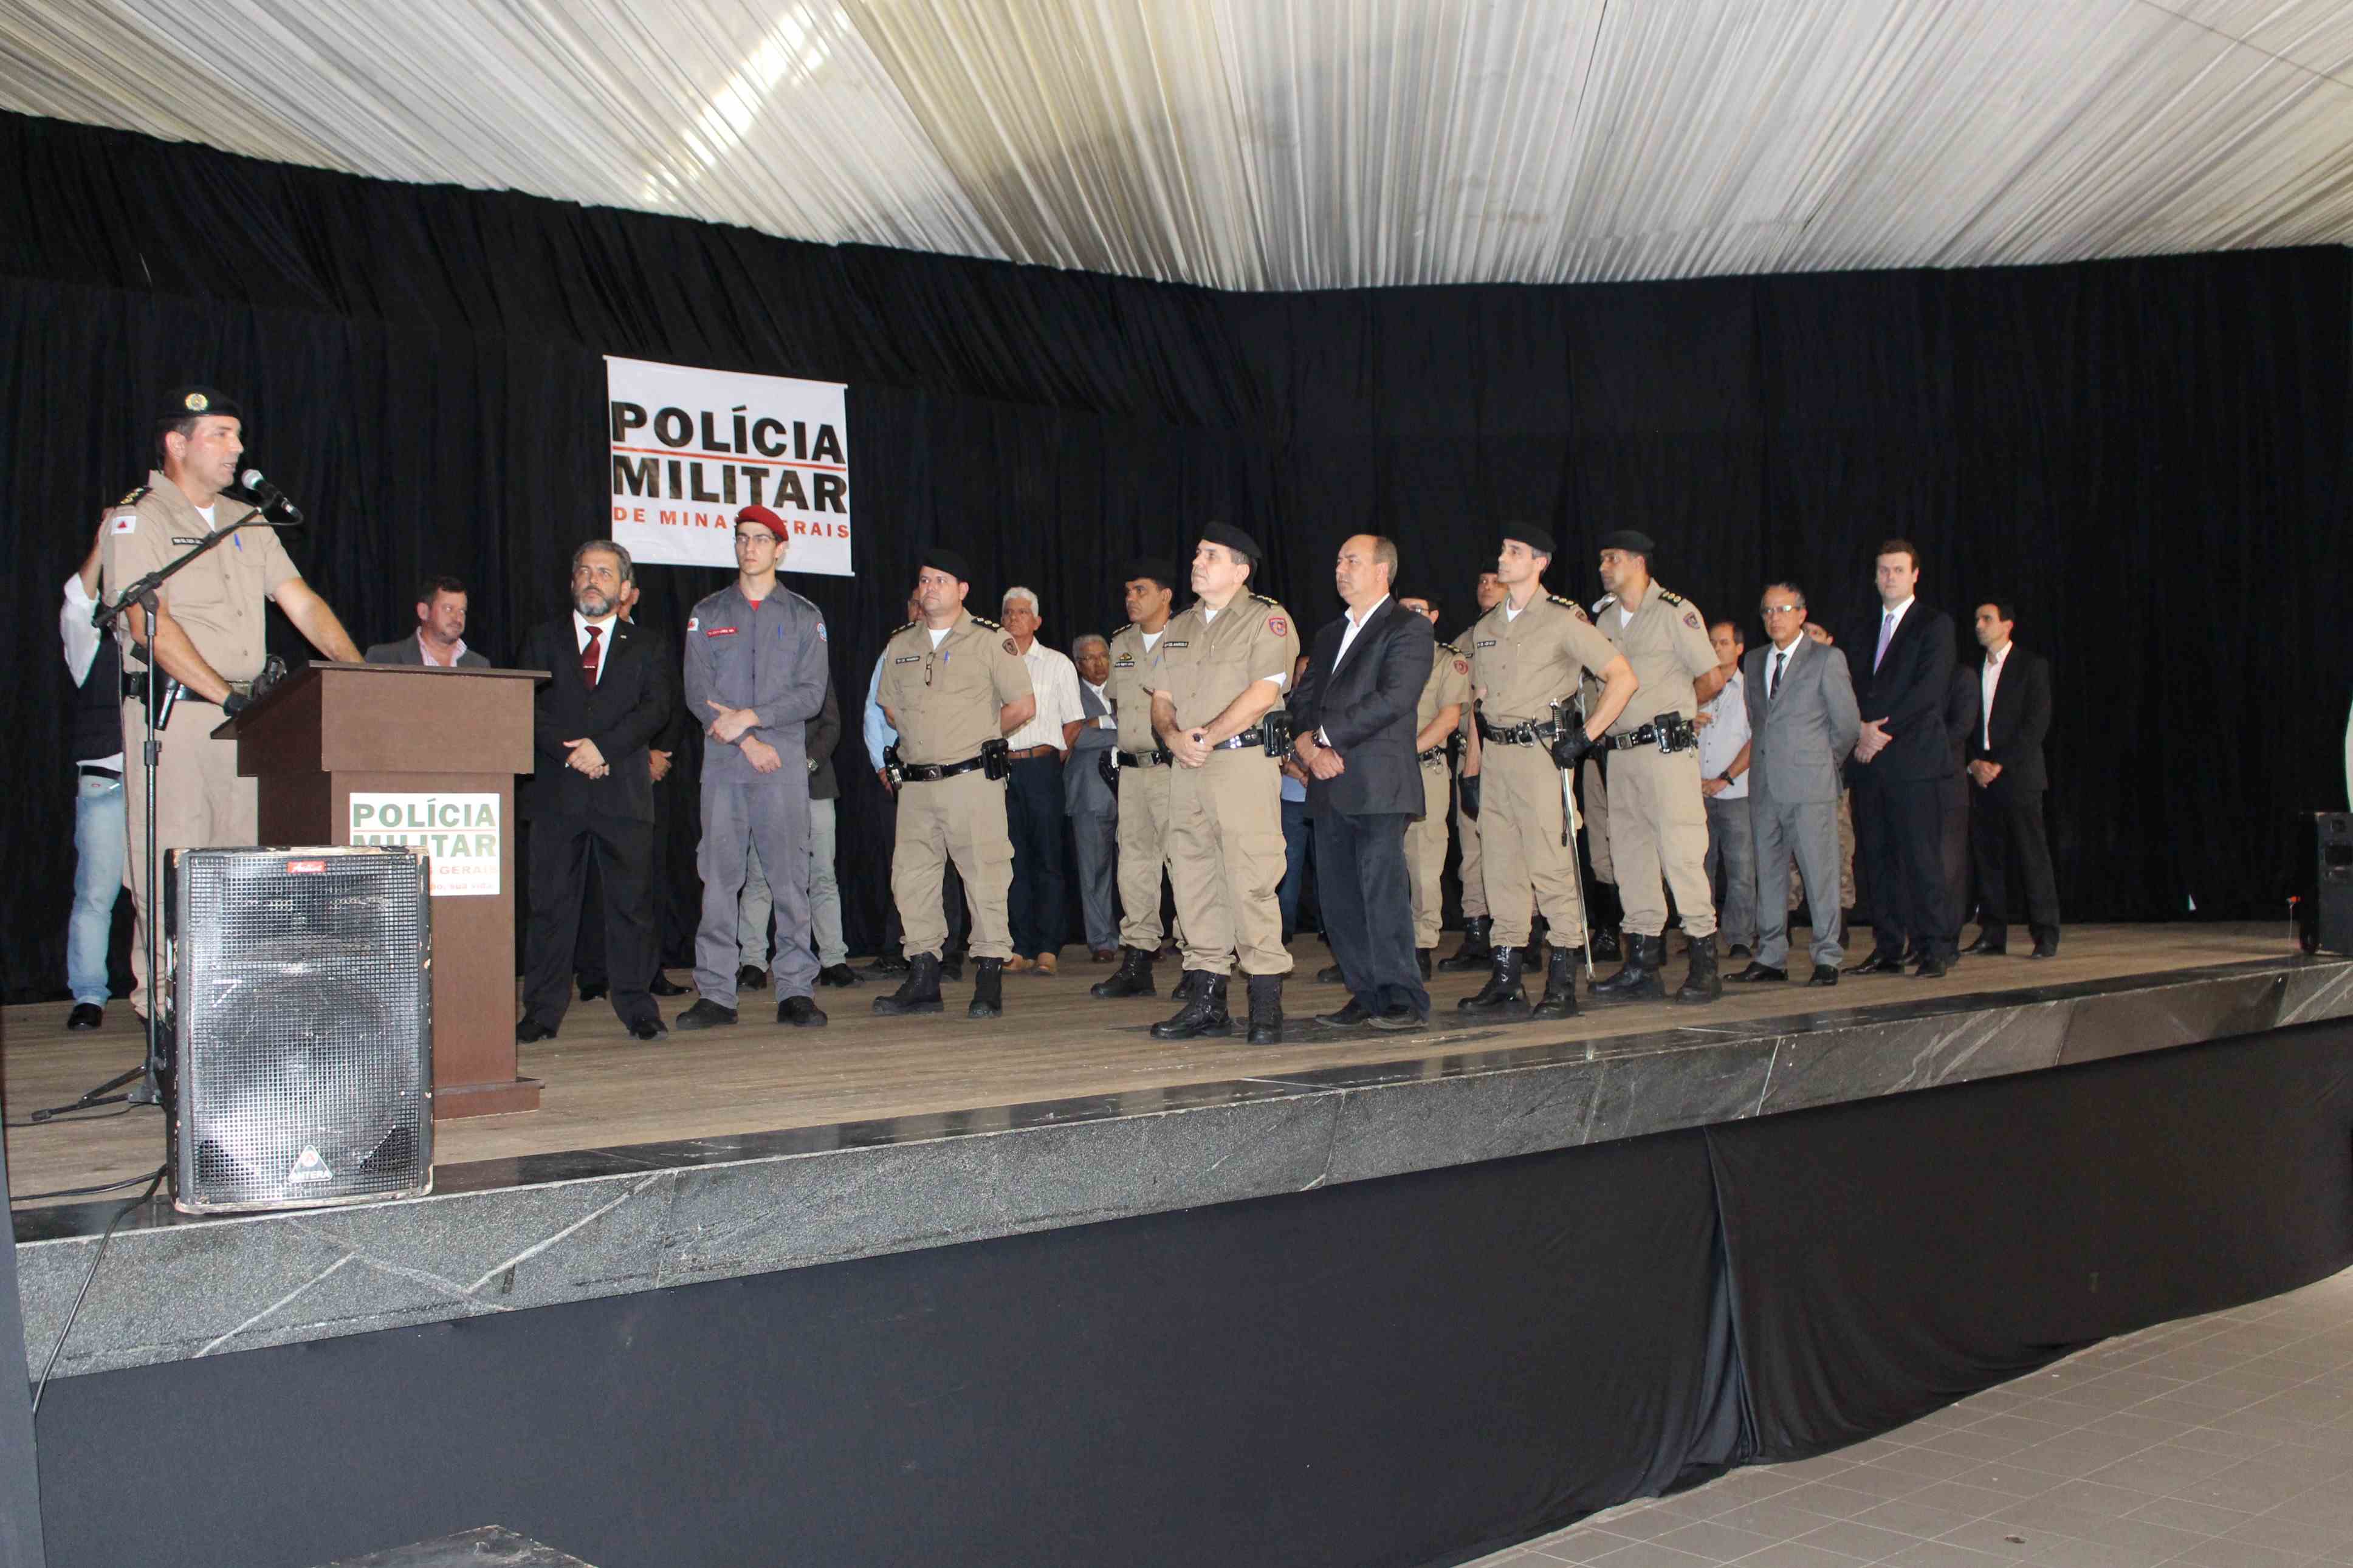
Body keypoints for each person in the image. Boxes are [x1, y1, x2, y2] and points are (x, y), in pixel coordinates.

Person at [101, 386, 365, 1014]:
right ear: (177, 443)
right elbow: (149, 625)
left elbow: (301, 602)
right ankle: (169, 1021)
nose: (237, 447)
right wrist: (228, 700)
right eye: (221, 434)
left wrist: (360, 676)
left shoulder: (248, 518)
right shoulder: (137, 520)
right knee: (173, 870)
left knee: (242, 873)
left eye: (238, 434)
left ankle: (233, 1019)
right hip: (177, 721)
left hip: (246, 722)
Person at [1459, 527, 1637, 1022]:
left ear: (1541, 563)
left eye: (1514, 552)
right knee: (1500, 870)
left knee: (1552, 868)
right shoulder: (1487, 625)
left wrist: (1585, 738)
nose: (1503, 557)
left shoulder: (1564, 618)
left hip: (1540, 756)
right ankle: (1507, 978)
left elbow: (1623, 678)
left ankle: (1563, 981)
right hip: (1496, 757)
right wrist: (1472, 769)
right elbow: (1478, 703)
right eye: (1502, 549)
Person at [666, 508, 832, 1030]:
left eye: (761, 539)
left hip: (781, 765)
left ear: (780, 549)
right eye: (742, 538)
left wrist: (754, 719)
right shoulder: (709, 612)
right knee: (719, 881)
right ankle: (717, 992)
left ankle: (796, 990)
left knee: (790, 881)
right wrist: (745, 740)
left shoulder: (804, 615)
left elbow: (811, 694)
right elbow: (698, 693)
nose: (749, 547)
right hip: (725, 767)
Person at [1146, 523, 1301, 1044]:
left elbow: (1264, 693)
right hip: (1187, 766)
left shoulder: (1267, 620)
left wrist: (1207, 736)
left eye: (1210, 555)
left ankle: (1265, 1001)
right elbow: (1161, 700)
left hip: (1241, 762)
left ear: (1241, 569)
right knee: (1192, 879)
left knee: (1251, 878)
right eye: (1197, 552)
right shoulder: (1178, 625)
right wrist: (1173, 737)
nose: (1197, 561)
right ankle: (1206, 1000)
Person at [516, 540, 674, 1041]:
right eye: (584, 571)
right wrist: (571, 753)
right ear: (572, 582)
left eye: (604, 573)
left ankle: (638, 1007)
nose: (592, 579)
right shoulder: (542, 639)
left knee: (631, 908)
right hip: (556, 793)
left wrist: (603, 748)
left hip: (622, 793)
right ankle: (541, 1011)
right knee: (550, 908)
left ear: (625, 588)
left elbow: (656, 708)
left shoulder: (647, 644)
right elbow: (525, 705)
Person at [871, 549, 1035, 1019]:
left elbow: (1023, 706)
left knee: (985, 876)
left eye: (940, 580)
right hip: (917, 784)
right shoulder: (901, 643)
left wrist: (975, 736)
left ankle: (989, 976)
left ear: (962, 590)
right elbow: (890, 708)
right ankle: (924, 977)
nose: (930, 588)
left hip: (971, 780)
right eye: (924, 580)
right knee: (913, 879)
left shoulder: (990, 640)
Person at [1291, 536, 1438, 1029]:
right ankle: (1366, 991)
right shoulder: (1329, 633)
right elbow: (1303, 700)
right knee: (1338, 899)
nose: (1340, 568)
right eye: (1337, 560)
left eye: (1351, 560)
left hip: (1378, 783)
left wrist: (1327, 737)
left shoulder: (1409, 626)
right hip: (1327, 780)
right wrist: (1309, 747)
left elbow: (1395, 697)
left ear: (1382, 570)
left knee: (1382, 893)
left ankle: (1402, 996)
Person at [1589, 530, 1728, 1005]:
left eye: (1612, 558)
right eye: (1602, 559)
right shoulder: (1605, 618)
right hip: (1621, 755)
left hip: (1666, 754)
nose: (1604, 567)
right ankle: (1643, 966)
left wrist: (1677, 711)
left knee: (1682, 854)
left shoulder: (1674, 611)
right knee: (1631, 858)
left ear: (1638, 562)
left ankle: (1705, 966)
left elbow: (1712, 677)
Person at [1729, 585, 1860, 986]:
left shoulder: (1826, 658)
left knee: (1820, 874)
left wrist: (1822, 763)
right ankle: (1771, 956)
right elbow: (1760, 721)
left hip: (1810, 785)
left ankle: (1827, 956)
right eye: (1767, 611)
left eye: (1783, 609)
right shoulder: (1755, 660)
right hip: (1765, 784)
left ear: (1802, 614)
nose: (1774, 617)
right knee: (1768, 874)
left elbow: (1847, 726)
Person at [1843, 540, 1959, 978]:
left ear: (1915, 575)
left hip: (1913, 762)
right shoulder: (1861, 626)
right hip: (1869, 761)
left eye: (1897, 570)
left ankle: (1934, 948)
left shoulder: (1934, 624)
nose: (1889, 577)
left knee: (1921, 860)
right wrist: (1859, 729)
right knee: (1878, 861)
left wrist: (1879, 734)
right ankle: (1889, 948)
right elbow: (1847, 686)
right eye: (1883, 570)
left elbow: (1929, 692)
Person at [574, 578, 690, 1001]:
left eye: (618, 583)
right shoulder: (576, 641)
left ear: (632, 594)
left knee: (647, 877)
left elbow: (669, 705)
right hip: (594, 772)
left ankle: (648, 971)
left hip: (647, 779)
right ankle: (593, 972)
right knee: (592, 875)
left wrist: (660, 755)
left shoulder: (651, 643)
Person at [863, 591, 971, 978]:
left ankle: (950, 953)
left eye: (926, 601)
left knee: (948, 866)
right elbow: (874, 713)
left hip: (947, 774)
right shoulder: (894, 651)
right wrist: (883, 767)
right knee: (905, 866)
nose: (920, 608)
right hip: (901, 776)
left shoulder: (961, 650)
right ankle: (901, 950)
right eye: (913, 603)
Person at [1092, 560, 1185, 997]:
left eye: (1141, 590)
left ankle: (1198, 962)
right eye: (1128, 590)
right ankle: (1138, 959)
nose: (1131, 598)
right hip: (1132, 771)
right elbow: (1118, 704)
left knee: (1185, 864)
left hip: (1174, 769)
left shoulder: (1187, 636)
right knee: (1134, 866)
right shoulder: (1121, 642)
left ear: (1166, 595)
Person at [736, 674, 855, 992]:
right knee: (759, 877)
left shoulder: (814, 667)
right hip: (765, 782)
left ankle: (833, 959)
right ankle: (753, 962)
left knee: (822, 875)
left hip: (814, 784)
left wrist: (807, 764)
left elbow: (831, 725)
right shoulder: (754, 666)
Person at [1963, 601, 2061, 958]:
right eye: (1977, 619)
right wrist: (1973, 762)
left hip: (2018, 775)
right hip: (1982, 776)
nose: (1979, 625)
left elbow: (2036, 723)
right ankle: (1992, 933)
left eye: (1987, 619)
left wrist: (2000, 763)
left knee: (2031, 856)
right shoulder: (1971, 669)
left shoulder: (2030, 666)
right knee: (1987, 857)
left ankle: (2045, 933)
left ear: (2008, 625)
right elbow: (1963, 722)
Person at [60, 520, 125, 1029]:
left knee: (165, 894)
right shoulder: (90, 639)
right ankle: (88, 995)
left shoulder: (165, 638)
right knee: (96, 894)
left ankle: (164, 994)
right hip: (107, 777)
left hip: (163, 777)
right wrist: (104, 540)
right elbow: (76, 602)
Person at [998, 587, 1083, 974]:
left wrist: (1050, 758)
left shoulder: (1057, 663)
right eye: (1008, 613)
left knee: (1048, 858)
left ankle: (1049, 947)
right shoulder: (992, 662)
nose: (1014, 618)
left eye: (1021, 613)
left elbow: (1074, 721)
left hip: (1043, 768)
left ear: (1037, 621)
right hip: (1002, 769)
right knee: (1011, 859)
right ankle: (1020, 946)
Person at [1396, 593, 1468, 977]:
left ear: (1434, 616)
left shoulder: (1447, 661)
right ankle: (1380, 944)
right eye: (1403, 609)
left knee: (1423, 861)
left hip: (1424, 769)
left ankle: (1421, 944)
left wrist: (1403, 752)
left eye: (1418, 610)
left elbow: (1448, 720)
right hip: (1379, 773)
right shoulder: (1380, 654)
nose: (1410, 615)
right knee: (1378, 860)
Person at [1438, 570, 1507, 970]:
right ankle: (1478, 934)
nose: (1486, 586)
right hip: (1470, 754)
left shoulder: (1526, 632)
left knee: (1519, 848)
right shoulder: (1464, 642)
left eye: (1496, 580)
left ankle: (1526, 938)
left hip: (1513, 750)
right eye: (1481, 580)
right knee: (1472, 849)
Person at [1695, 620, 1756, 960]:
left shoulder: (1750, 690)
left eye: (1723, 643)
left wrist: (1725, 778)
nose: (1716, 649)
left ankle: (1740, 937)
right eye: (1711, 643)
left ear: (1739, 648)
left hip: (1736, 792)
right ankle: (1701, 935)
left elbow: (1756, 740)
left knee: (1741, 869)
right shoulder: (1695, 688)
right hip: (1697, 793)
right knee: (1698, 868)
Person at [1064, 634, 1122, 962]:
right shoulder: (1069, 693)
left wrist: (1102, 721)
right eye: (1090, 658)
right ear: (1078, 664)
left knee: (1139, 868)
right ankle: (1102, 941)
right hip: (1091, 793)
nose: (1100, 664)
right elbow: (1075, 738)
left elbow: (1148, 724)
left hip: (1134, 790)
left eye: (1104, 656)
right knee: (1095, 871)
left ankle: (1144, 939)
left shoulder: (1125, 686)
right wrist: (1122, 730)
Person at [363, 577, 489, 668]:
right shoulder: (384, 659)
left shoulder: (479, 666)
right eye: (448, 609)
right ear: (424, 612)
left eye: (462, 611)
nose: (457, 618)